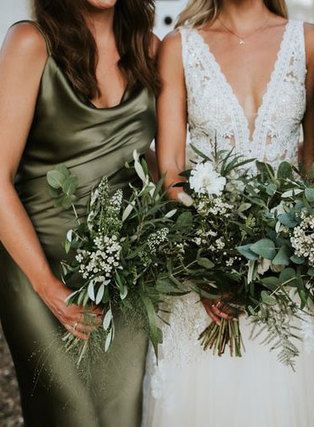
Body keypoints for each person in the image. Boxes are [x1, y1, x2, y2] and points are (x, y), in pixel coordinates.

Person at [142, 0, 314, 426]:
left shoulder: (308, 41)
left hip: (289, 272)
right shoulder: (180, 48)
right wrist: (208, 267)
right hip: (205, 273)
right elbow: (171, 167)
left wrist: (302, 244)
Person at [0, 0, 159, 425]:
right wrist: (48, 287)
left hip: (123, 273)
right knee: (70, 416)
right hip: (37, 268)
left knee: (120, 416)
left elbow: (152, 163)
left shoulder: (149, 49)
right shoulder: (31, 43)